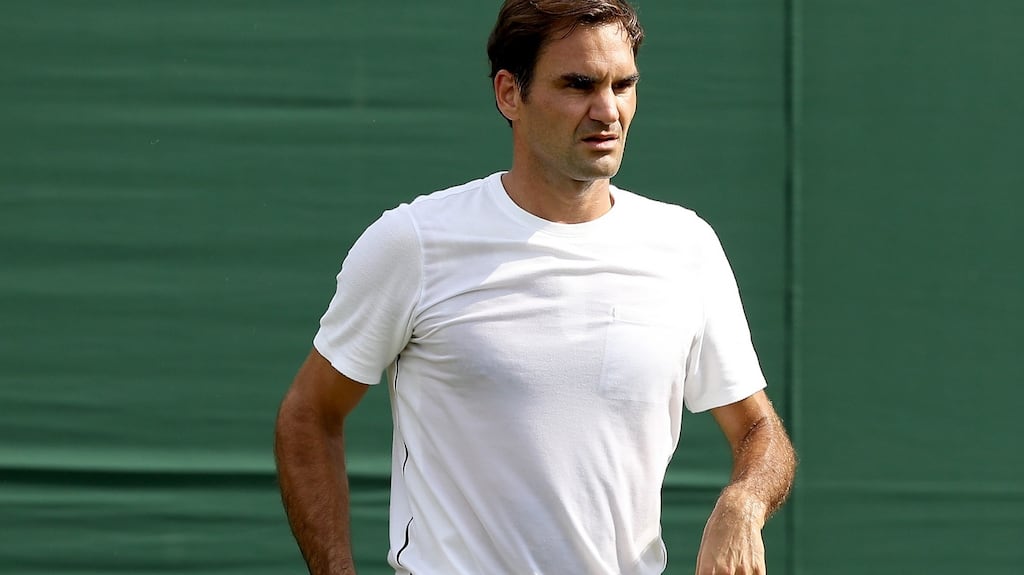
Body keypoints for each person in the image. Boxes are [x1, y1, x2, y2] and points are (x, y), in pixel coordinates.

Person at [274, 0, 797, 573]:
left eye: (623, 84)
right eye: (579, 85)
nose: (608, 110)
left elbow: (758, 428)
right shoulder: (414, 242)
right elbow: (309, 415)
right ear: (509, 94)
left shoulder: (686, 245)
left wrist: (744, 503)